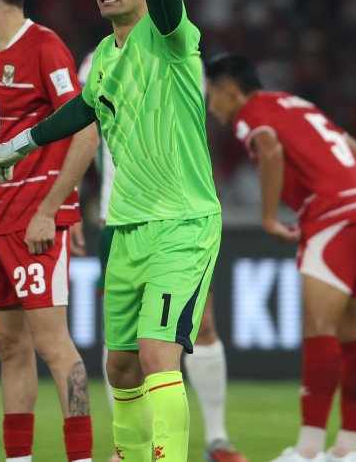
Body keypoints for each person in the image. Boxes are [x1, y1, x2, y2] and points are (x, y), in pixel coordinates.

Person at [0, 0, 221, 462]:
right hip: (125, 227)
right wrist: (15, 146)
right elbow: (81, 112)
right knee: (122, 364)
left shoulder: (170, 37)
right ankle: (130, 456)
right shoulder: (104, 56)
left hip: (181, 224)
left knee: (160, 352)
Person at [205, 54, 356, 462]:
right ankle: (346, 450)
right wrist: (350, 200)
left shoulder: (249, 113)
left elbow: (270, 153)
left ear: (230, 91)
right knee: (351, 333)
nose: (210, 104)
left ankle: (306, 452)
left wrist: (269, 218)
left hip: (334, 216)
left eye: (212, 95)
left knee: (318, 328)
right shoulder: (295, 103)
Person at [79, 23, 245, 462]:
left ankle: (217, 439)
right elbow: (85, 133)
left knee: (198, 325)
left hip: (176, 216)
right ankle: (128, 450)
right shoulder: (95, 63)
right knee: (123, 346)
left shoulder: (176, 49)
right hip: (118, 216)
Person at [0, 0, 98, 462]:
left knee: (53, 345)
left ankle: (80, 459)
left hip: (35, 222)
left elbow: (85, 131)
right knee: (10, 347)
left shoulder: (45, 47)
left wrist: (51, 209)